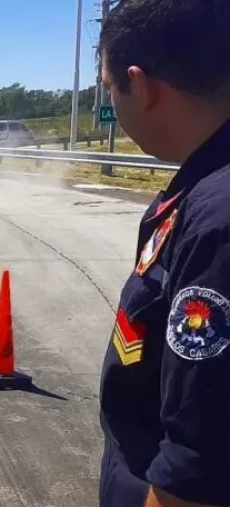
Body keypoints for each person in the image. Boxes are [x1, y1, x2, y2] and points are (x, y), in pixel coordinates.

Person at [97, 1, 230, 506]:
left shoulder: (217, 222)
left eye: (110, 87)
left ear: (142, 85)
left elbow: (199, 464)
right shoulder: (201, 189)